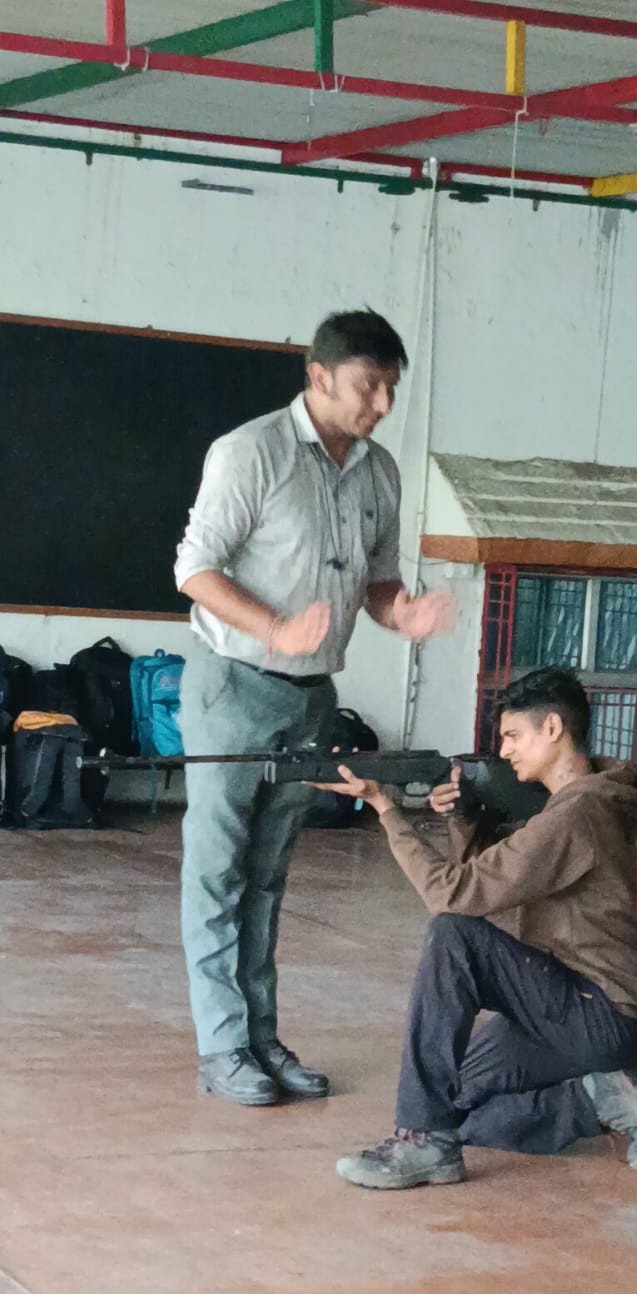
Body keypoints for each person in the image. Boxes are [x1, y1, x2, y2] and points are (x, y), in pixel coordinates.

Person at [174, 308, 454, 1106]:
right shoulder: (249, 452)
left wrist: (403, 614)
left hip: (311, 697)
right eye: (369, 386)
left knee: (268, 875)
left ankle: (261, 1039)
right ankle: (223, 1047)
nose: (382, 405)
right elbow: (194, 569)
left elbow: (377, 583)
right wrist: (275, 629)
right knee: (217, 873)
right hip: (232, 683)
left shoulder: (379, 472)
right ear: (319, 376)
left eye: (391, 389)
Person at [315, 668, 637, 1190]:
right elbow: (493, 877)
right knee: (453, 1100)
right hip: (566, 1005)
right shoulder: (573, 804)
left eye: (512, 736)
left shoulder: (576, 813)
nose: (504, 751)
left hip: (595, 1010)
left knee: (452, 934)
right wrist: (465, 815)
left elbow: (455, 895)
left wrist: (385, 809)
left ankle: (423, 1140)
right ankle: (591, 1099)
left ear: (553, 728)